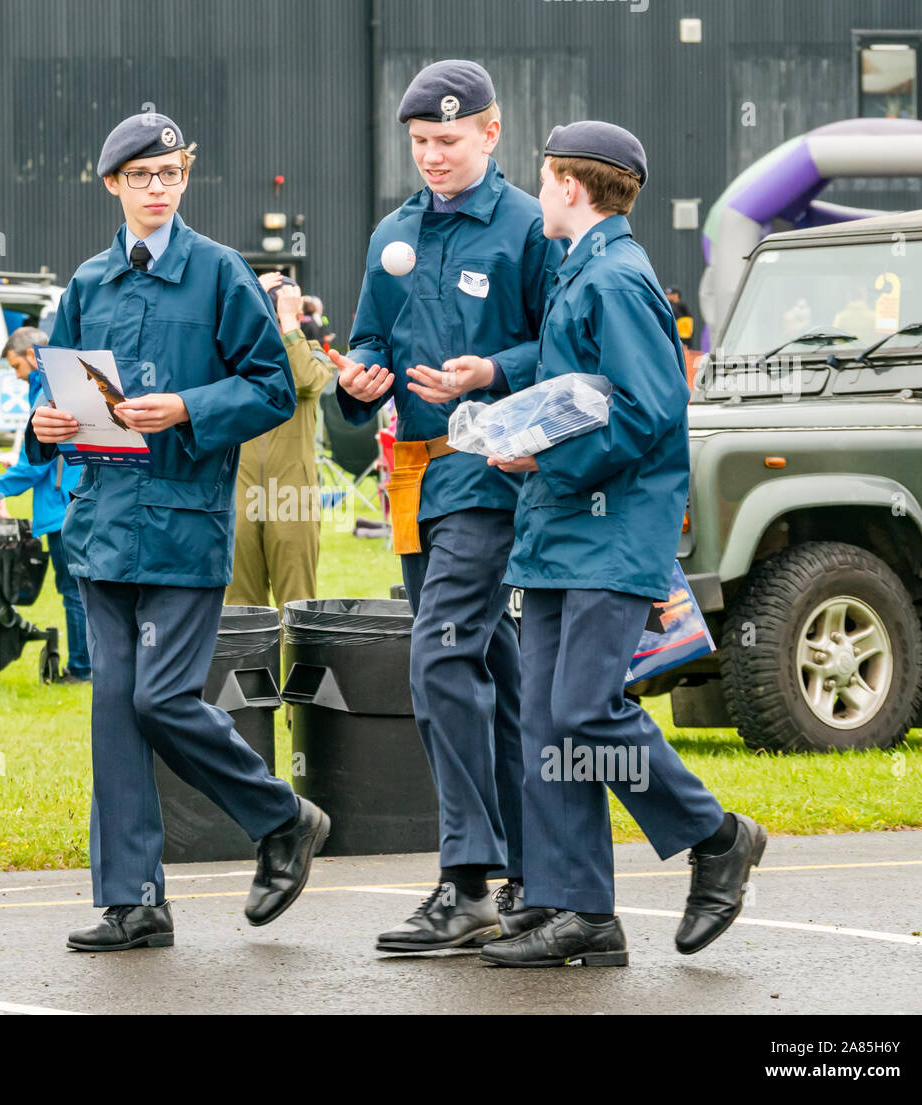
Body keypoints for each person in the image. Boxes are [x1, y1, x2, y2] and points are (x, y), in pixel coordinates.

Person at [26, 112, 329, 952]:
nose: (158, 188)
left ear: (185, 178)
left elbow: (273, 386)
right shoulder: (88, 282)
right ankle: (133, 902)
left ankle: (282, 817)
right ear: (113, 185)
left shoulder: (222, 275)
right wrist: (43, 428)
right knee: (115, 717)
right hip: (102, 526)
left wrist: (192, 406)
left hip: (184, 526)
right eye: (141, 176)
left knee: (161, 699)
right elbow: (56, 398)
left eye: (171, 174)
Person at [475, 122, 766, 969]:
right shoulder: (586, 273)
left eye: (544, 176)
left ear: (570, 185)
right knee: (547, 725)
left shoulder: (615, 276)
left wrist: (544, 453)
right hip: (567, 530)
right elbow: (587, 398)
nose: (538, 190)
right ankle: (581, 909)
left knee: (583, 711)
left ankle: (717, 836)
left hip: (608, 531)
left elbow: (646, 409)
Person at [330, 59, 563, 953]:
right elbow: (368, 342)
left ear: (491, 133)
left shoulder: (528, 230)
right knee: (491, 669)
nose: (431, 155)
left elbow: (566, 342)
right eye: (421, 141)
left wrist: (493, 370)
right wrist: (359, 379)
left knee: (439, 651)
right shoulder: (392, 233)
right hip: (415, 475)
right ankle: (529, 874)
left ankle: (466, 879)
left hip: (495, 471)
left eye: (448, 140)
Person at [0, 326, 91, 684]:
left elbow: (33, 466)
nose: (17, 377)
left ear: (31, 356)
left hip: (61, 508)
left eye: (16, 368)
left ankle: (83, 669)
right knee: (83, 591)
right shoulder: (63, 383)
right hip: (72, 500)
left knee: (74, 592)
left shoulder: (46, 391)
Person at [225, 272, 332, 613]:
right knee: (240, 606)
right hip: (238, 491)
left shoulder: (313, 355)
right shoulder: (234, 357)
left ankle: (299, 669)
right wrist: (249, 292)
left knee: (297, 604)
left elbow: (302, 381)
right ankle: (245, 669)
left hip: (292, 494)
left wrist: (289, 320)